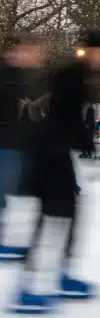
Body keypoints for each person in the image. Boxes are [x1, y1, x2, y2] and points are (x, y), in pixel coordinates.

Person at [13, 30, 100, 313]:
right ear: (93, 52)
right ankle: (24, 287)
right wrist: (85, 145)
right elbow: (64, 119)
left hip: (57, 156)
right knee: (49, 219)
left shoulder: (80, 77)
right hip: (49, 157)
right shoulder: (72, 77)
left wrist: (86, 145)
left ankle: (61, 273)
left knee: (68, 214)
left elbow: (73, 121)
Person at [0, 36, 47, 261]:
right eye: (31, 51)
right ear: (15, 51)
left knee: (8, 193)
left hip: (13, 144)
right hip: (5, 144)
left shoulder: (19, 77)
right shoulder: (5, 75)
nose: (36, 56)